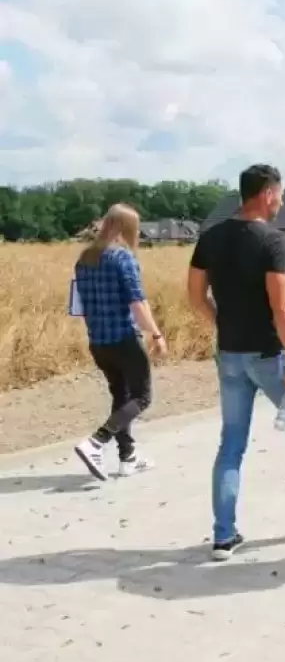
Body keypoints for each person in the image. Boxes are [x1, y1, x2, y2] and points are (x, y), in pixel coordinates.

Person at [187, 164, 285, 561]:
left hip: (229, 355)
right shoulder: (273, 241)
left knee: (231, 443)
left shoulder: (210, 237)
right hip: (268, 354)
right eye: (281, 195)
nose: (283, 202)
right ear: (267, 194)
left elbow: (194, 296)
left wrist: (221, 323)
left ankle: (224, 536)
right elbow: (283, 307)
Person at [72, 203, 165, 481]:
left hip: (98, 342)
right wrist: (156, 334)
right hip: (124, 339)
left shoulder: (84, 259)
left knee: (121, 396)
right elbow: (137, 302)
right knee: (142, 397)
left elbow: (81, 307)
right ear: (127, 229)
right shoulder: (122, 258)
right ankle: (96, 442)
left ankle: (128, 457)